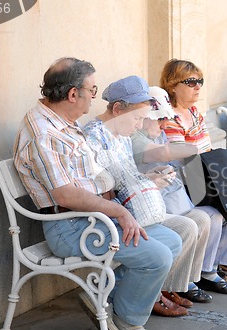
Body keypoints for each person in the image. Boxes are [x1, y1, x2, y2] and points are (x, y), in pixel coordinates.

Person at [13, 58, 182, 330]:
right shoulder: (44, 133)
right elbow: (65, 195)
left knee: (171, 241)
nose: (94, 97)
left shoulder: (64, 122)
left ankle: (106, 302)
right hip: (70, 226)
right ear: (72, 94)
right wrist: (120, 211)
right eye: (92, 90)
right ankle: (128, 322)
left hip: (93, 218)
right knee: (157, 257)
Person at [82, 76, 214, 317]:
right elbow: (99, 190)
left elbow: (124, 178)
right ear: (118, 109)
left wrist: (149, 178)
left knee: (180, 233)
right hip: (113, 217)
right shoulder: (94, 137)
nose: (139, 125)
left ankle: (132, 292)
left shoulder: (119, 134)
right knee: (176, 236)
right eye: (137, 118)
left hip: (130, 210)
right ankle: (127, 302)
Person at [160, 59, 227, 296]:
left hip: (204, 176)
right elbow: (183, 159)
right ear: (172, 85)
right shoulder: (169, 118)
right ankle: (204, 273)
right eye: (191, 82)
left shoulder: (194, 112)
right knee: (215, 214)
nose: (198, 87)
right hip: (183, 181)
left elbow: (206, 150)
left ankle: (216, 265)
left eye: (200, 81)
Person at [130, 86, 215, 303]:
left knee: (205, 217)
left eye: (166, 118)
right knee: (191, 224)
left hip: (164, 199)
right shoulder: (136, 137)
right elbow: (164, 154)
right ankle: (168, 286)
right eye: (159, 119)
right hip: (147, 207)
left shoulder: (155, 134)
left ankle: (182, 282)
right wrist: (195, 151)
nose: (164, 123)